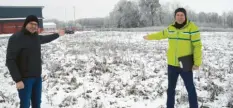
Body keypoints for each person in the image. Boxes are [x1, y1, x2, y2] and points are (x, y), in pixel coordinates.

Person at [143, 8, 202, 108]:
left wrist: (197, 62)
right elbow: (161, 34)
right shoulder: (171, 28)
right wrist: (150, 37)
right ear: (175, 16)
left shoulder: (192, 28)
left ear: (185, 16)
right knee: (170, 89)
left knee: (190, 89)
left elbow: (197, 46)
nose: (180, 17)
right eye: (178, 15)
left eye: (182, 15)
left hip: (185, 64)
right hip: (172, 64)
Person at [5, 15, 65, 108]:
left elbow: (45, 39)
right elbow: (10, 60)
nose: (34, 26)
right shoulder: (16, 38)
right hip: (24, 80)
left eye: (36, 24)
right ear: (26, 24)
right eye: (31, 23)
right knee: (25, 105)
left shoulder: (36, 37)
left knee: (37, 104)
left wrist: (57, 34)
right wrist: (18, 79)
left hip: (37, 78)